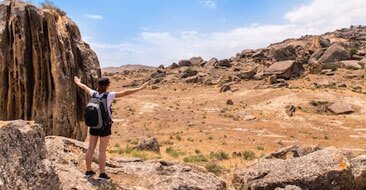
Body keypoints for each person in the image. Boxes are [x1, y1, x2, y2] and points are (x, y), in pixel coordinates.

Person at [74, 76, 149, 180]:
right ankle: (102, 174)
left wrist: (78, 82)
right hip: (105, 126)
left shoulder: (94, 93)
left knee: (90, 148)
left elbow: (84, 87)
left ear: (98, 85)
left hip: (94, 125)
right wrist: (140, 88)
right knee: (102, 151)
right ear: (107, 86)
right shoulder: (109, 96)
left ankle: (88, 171)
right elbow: (126, 92)